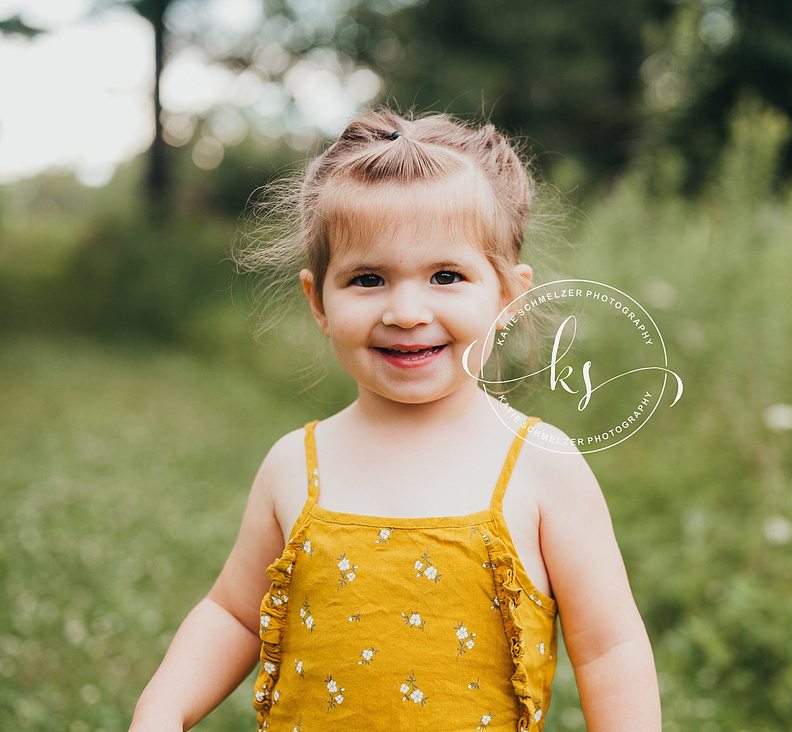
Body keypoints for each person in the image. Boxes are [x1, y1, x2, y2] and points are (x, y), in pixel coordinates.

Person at [128, 110, 661, 732]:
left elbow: (608, 648)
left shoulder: (540, 462)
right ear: (318, 301)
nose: (407, 312)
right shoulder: (294, 464)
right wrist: (162, 708)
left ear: (509, 298)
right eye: (368, 278)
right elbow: (235, 615)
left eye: (445, 276)